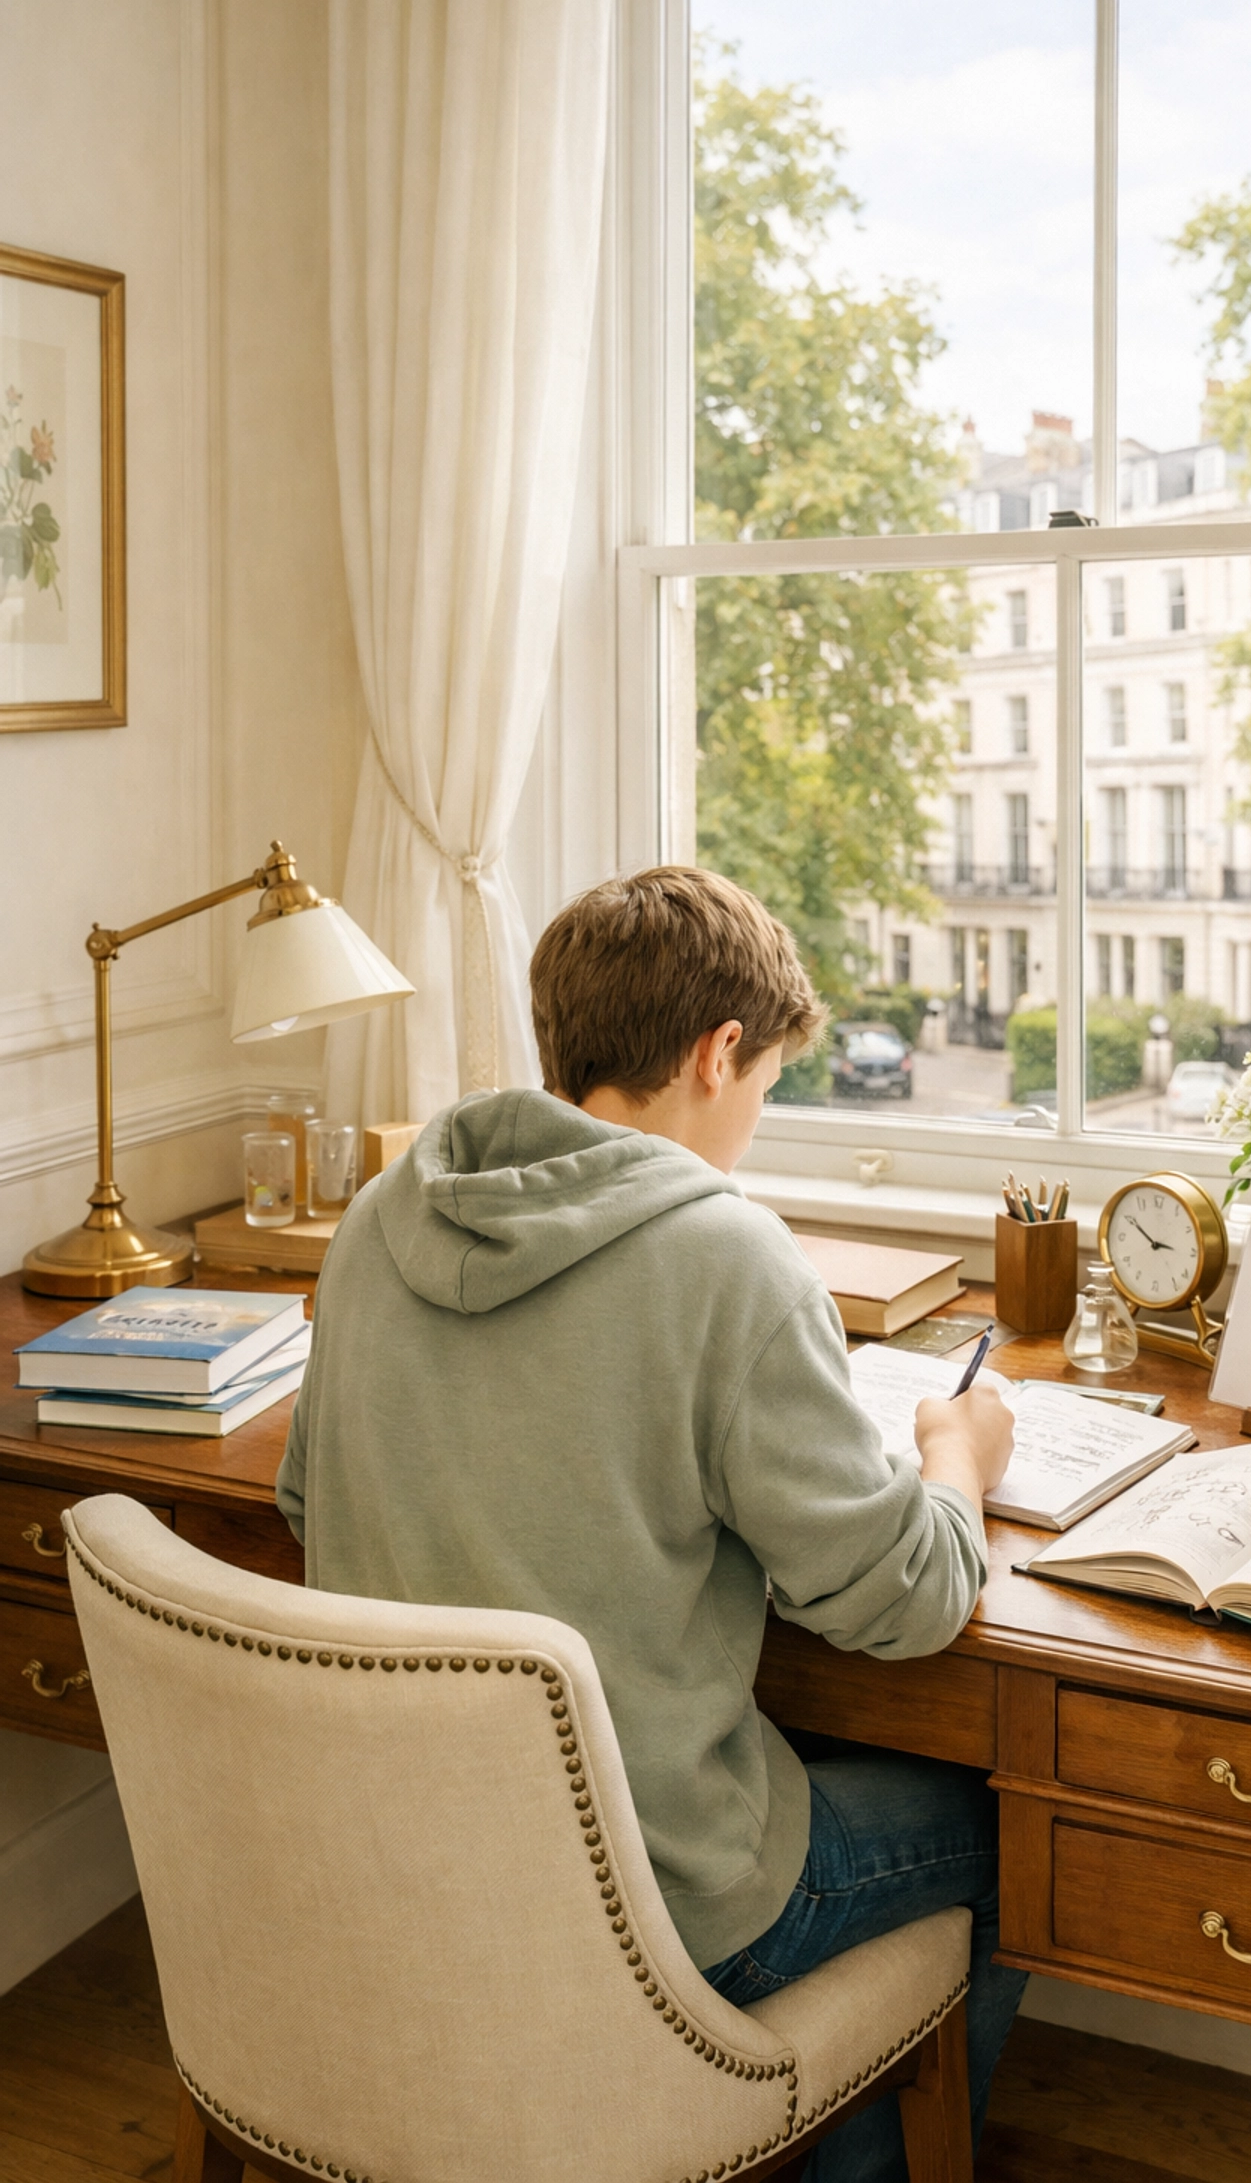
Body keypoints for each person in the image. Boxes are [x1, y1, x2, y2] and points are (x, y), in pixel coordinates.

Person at [276, 866, 1020, 2181]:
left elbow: (301, 1498)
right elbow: (905, 1603)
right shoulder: (726, 1255)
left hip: (393, 1862)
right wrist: (959, 1459)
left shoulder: (386, 1209)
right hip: (649, 1897)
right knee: (1016, 1832)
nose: (755, 1122)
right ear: (714, 1051)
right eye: (768, 1084)